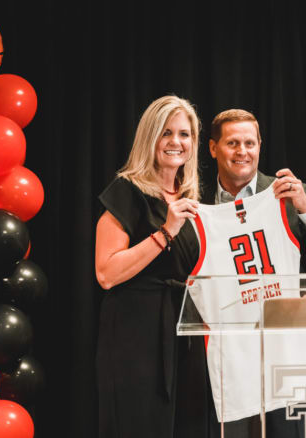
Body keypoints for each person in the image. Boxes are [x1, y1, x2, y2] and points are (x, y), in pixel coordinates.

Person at [202, 108, 306, 437]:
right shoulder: (197, 204)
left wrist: (305, 208)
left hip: (288, 351)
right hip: (228, 355)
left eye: (250, 143)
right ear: (213, 148)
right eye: (233, 143)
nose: (243, 151)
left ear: (260, 146)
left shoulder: (287, 195)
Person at [95, 95, 208, 438]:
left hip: (184, 329)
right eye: (166, 133)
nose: (176, 142)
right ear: (150, 139)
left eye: (185, 134)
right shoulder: (127, 190)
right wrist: (165, 233)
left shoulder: (189, 197)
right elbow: (106, 273)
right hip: (136, 332)